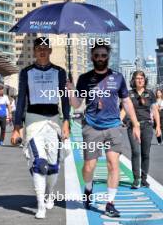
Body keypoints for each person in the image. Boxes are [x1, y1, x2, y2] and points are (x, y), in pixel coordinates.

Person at [67, 42, 140, 218]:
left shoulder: (118, 77)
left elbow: (126, 101)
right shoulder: (84, 78)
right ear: (92, 57)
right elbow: (77, 104)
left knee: (113, 165)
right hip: (91, 127)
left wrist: (136, 124)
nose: (100, 58)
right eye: (97, 55)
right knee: (89, 166)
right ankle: (89, 187)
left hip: (114, 126)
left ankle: (110, 204)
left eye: (103, 55)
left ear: (108, 57)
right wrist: (70, 90)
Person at [11, 37, 70, 219]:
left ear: (50, 51)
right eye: (38, 48)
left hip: (53, 121)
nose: (42, 51)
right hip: (33, 120)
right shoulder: (26, 72)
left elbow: (65, 98)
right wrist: (17, 126)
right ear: (34, 51)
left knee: (53, 164)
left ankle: (50, 193)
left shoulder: (60, 72)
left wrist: (66, 120)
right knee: (39, 163)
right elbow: (21, 99)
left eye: (45, 48)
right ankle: (40, 205)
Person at [125, 71, 161, 189]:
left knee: (145, 153)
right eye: (137, 78)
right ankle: (136, 179)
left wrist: (158, 127)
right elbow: (124, 110)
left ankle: (144, 179)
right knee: (135, 152)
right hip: (133, 126)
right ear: (133, 80)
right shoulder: (129, 94)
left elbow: (155, 111)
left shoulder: (150, 93)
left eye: (142, 78)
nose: (140, 80)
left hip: (147, 126)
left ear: (145, 80)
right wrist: (117, 123)